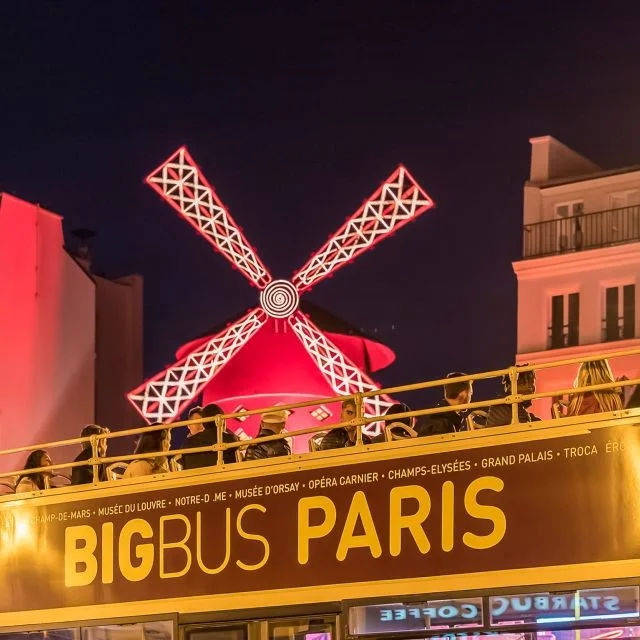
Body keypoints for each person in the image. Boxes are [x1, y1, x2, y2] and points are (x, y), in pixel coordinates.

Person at [180, 403, 239, 468]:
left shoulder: (186, 444)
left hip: (193, 477)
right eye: (197, 422)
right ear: (222, 421)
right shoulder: (229, 439)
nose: (199, 426)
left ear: (203, 422)